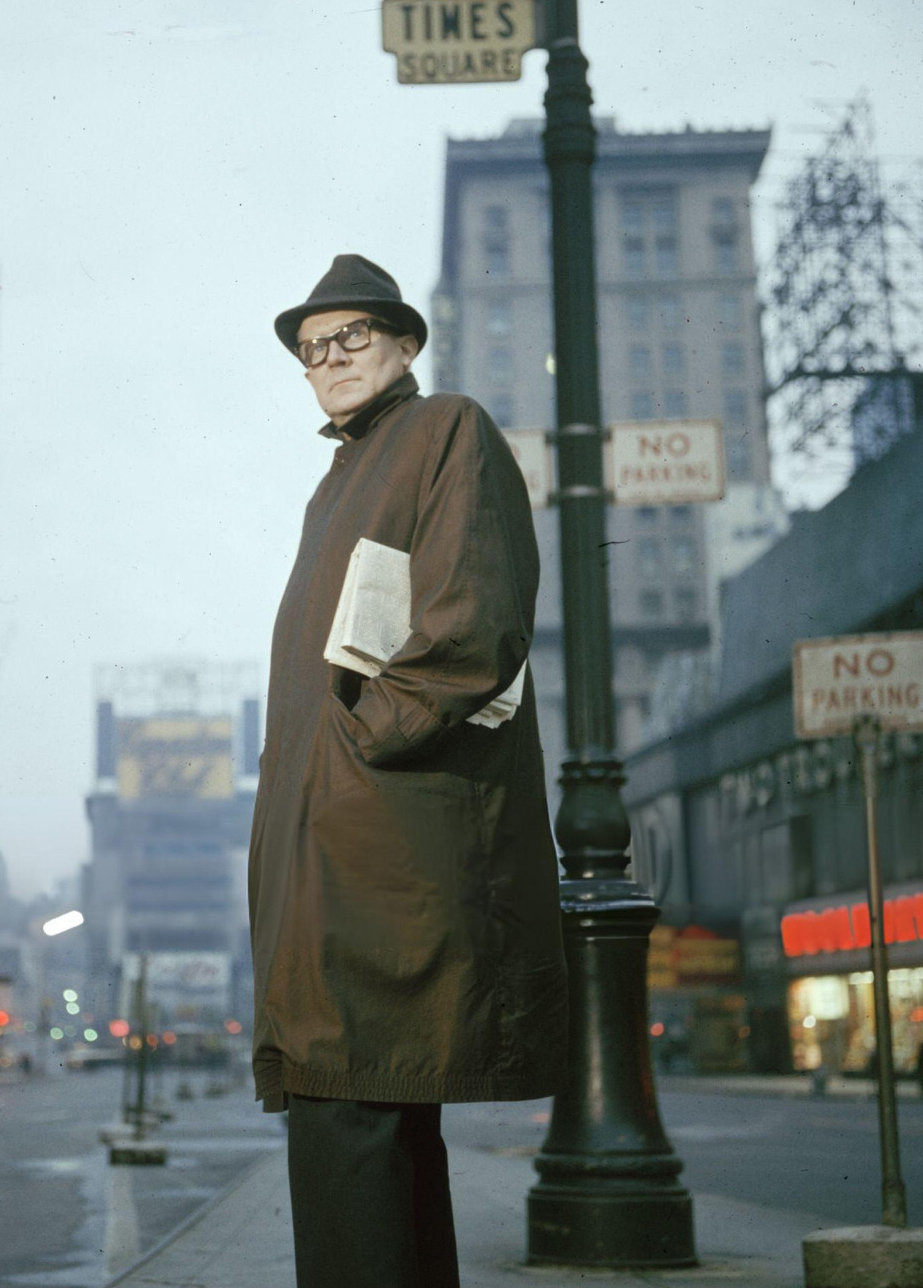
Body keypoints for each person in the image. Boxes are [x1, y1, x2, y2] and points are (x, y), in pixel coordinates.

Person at [248, 254, 568, 1288]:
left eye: (350, 336)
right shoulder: (337, 483)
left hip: (380, 852)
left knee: (349, 1107)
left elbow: (474, 626)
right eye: (311, 349)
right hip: (335, 855)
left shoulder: (445, 430)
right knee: (368, 1114)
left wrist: (361, 746)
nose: (329, 358)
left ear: (403, 342)